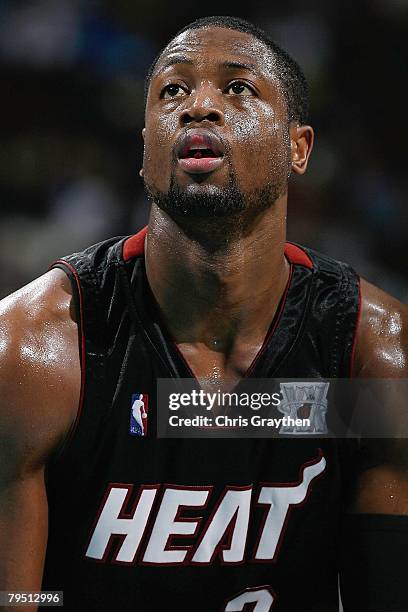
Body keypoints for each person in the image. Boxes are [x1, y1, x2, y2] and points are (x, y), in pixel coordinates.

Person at [0, 15, 407, 612]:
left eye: (238, 88)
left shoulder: (372, 358)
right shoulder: (35, 353)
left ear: (299, 147)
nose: (198, 107)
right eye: (173, 90)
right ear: (145, 151)